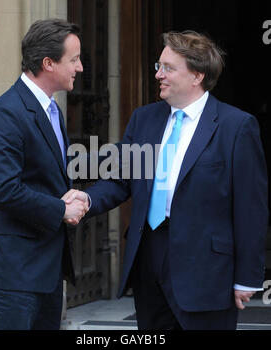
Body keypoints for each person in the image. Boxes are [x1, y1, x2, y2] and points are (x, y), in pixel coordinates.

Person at [65, 31, 269, 330]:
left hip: (207, 272)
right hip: (149, 262)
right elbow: (122, 178)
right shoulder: (144, 119)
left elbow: (251, 208)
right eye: (158, 66)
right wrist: (88, 199)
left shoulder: (236, 126)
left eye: (168, 68)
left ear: (197, 75)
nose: (159, 74)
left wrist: (247, 277)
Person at [0, 19, 87, 330]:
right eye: (73, 59)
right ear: (49, 63)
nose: (80, 67)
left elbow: (44, 178)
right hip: (11, 276)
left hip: (44, 272)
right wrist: (61, 209)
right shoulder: (6, 113)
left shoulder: (52, 110)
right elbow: (3, 189)